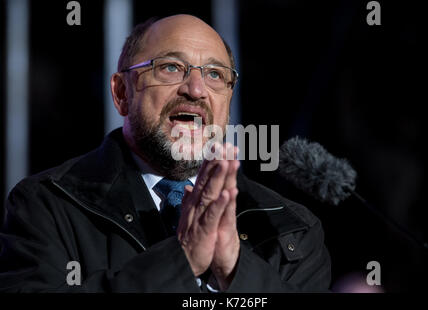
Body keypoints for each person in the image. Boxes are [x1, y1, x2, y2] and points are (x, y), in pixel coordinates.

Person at [0, 14, 330, 292]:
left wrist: (237, 272)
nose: (196, 89)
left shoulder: (290, 229)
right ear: (121, 93)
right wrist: (181, 259)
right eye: (171, 67)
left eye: (215, 74)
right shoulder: (46, 206)